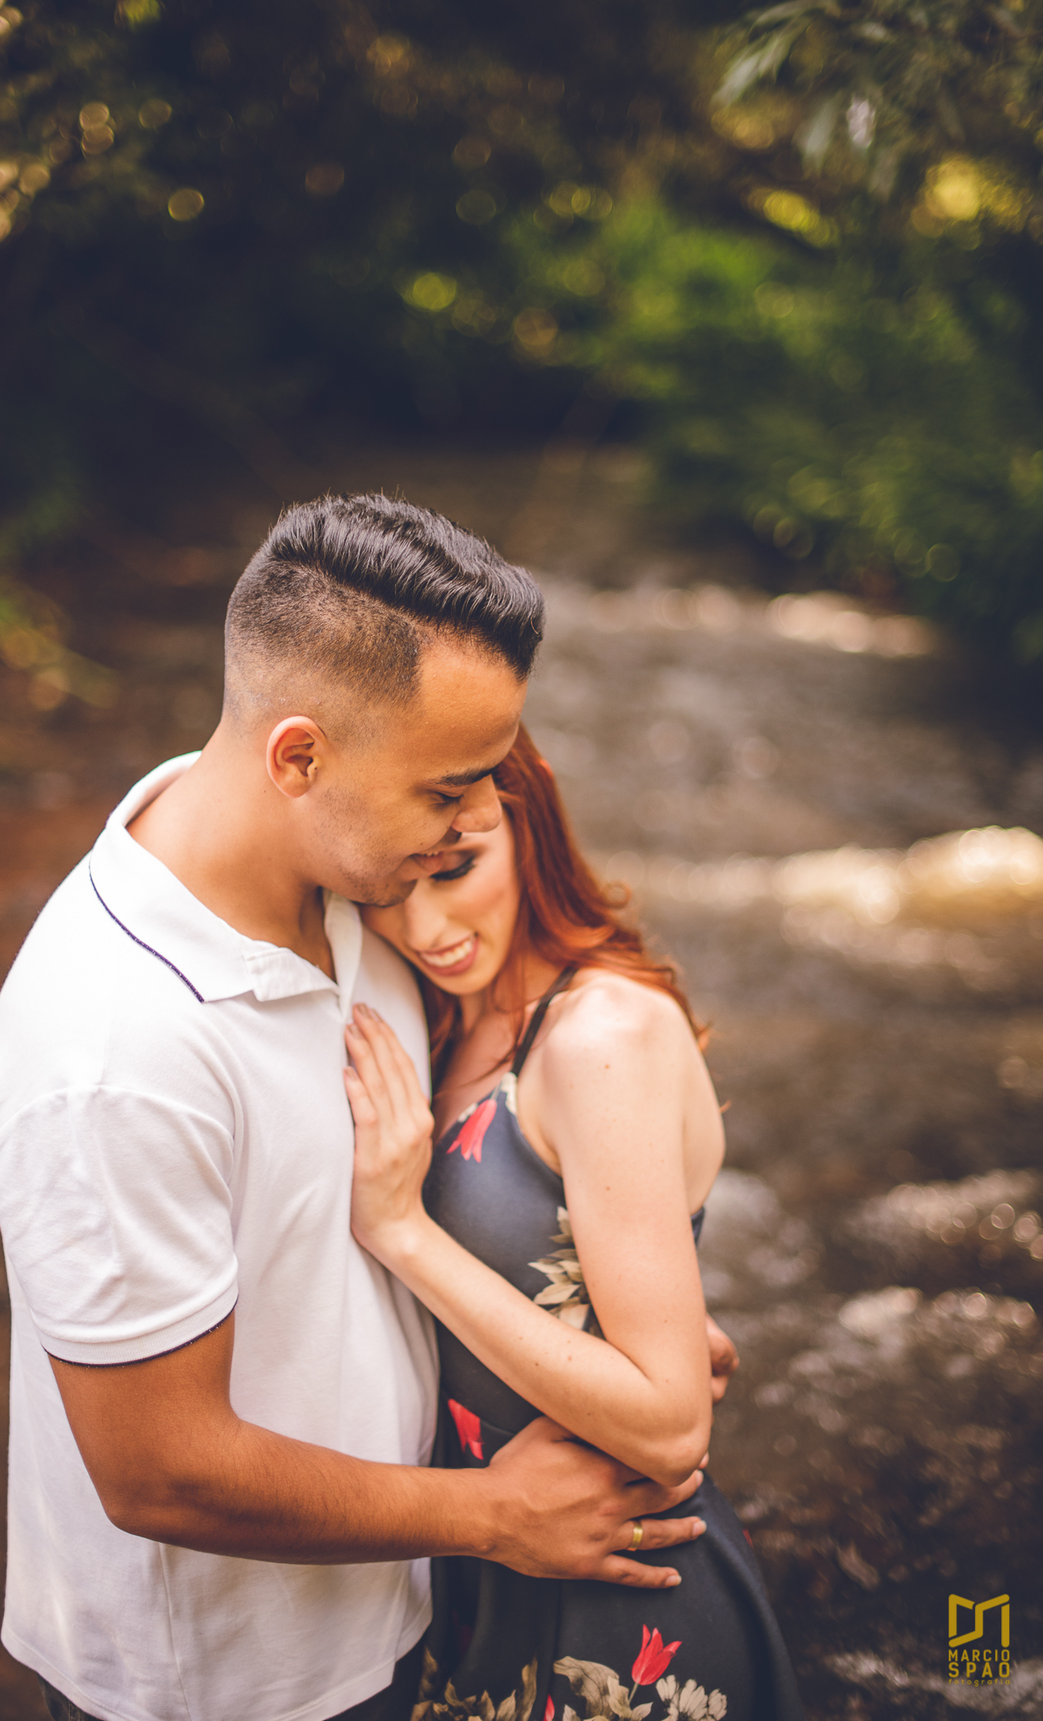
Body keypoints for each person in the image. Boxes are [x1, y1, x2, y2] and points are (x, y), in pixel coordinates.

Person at [0, 495, 713, 1721]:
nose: (464, 830)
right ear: (298, 756)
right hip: (229, 1683)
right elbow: (160, 1471)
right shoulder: (109, 1046)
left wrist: (600, 1345)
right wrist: (494, 1516)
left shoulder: (349, 886)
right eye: (445, 792)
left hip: (398, 1615)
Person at [345, 726, 805, 1721]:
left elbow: (674, 1421)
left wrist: (402, 1233)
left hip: (620, 1606)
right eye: (386, 888)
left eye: (455, 869)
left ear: (528, 821)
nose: (423, 923)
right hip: (481, 1567)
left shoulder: (600, 1036)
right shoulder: (449, 1015)